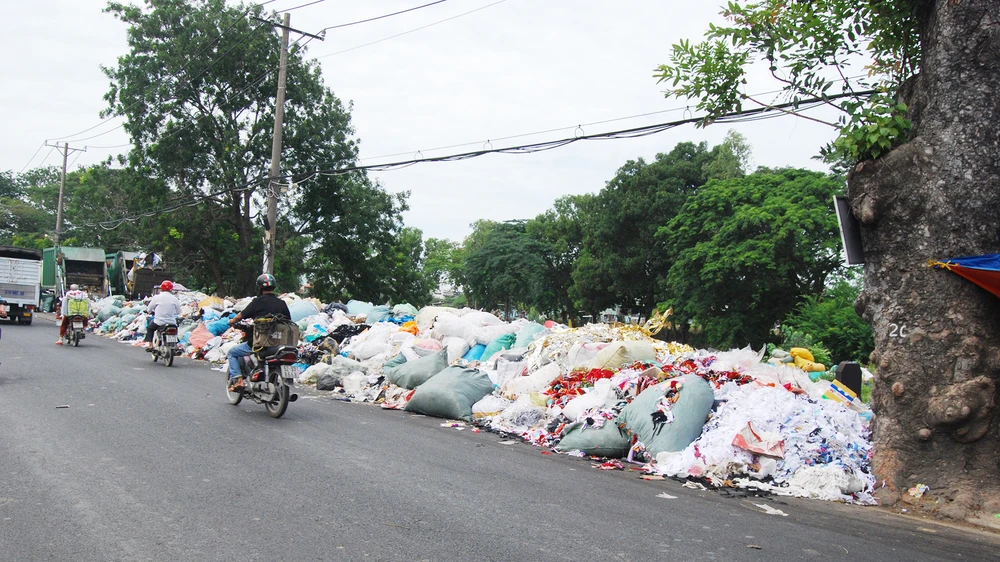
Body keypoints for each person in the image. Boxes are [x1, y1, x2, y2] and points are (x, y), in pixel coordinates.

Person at [225, 274, 291, 391]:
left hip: (260, 344)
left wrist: (231, 321)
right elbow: (288, 322)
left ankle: (239, 381)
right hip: (279, 343)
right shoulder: (282, 304)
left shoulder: (257, 302)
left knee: (232, 353)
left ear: (260, 288)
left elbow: (240, 316)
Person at [144, 280, 182, 351]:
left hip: (159, 322)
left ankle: (150, 345)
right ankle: (176, 345)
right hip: (171, 322)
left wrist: (148, 311)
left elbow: (149, 308)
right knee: (175, 331)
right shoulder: (174, 298)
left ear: (161, 288)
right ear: (171, 289)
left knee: (150, 328)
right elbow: (179, 311)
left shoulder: (156, 297)